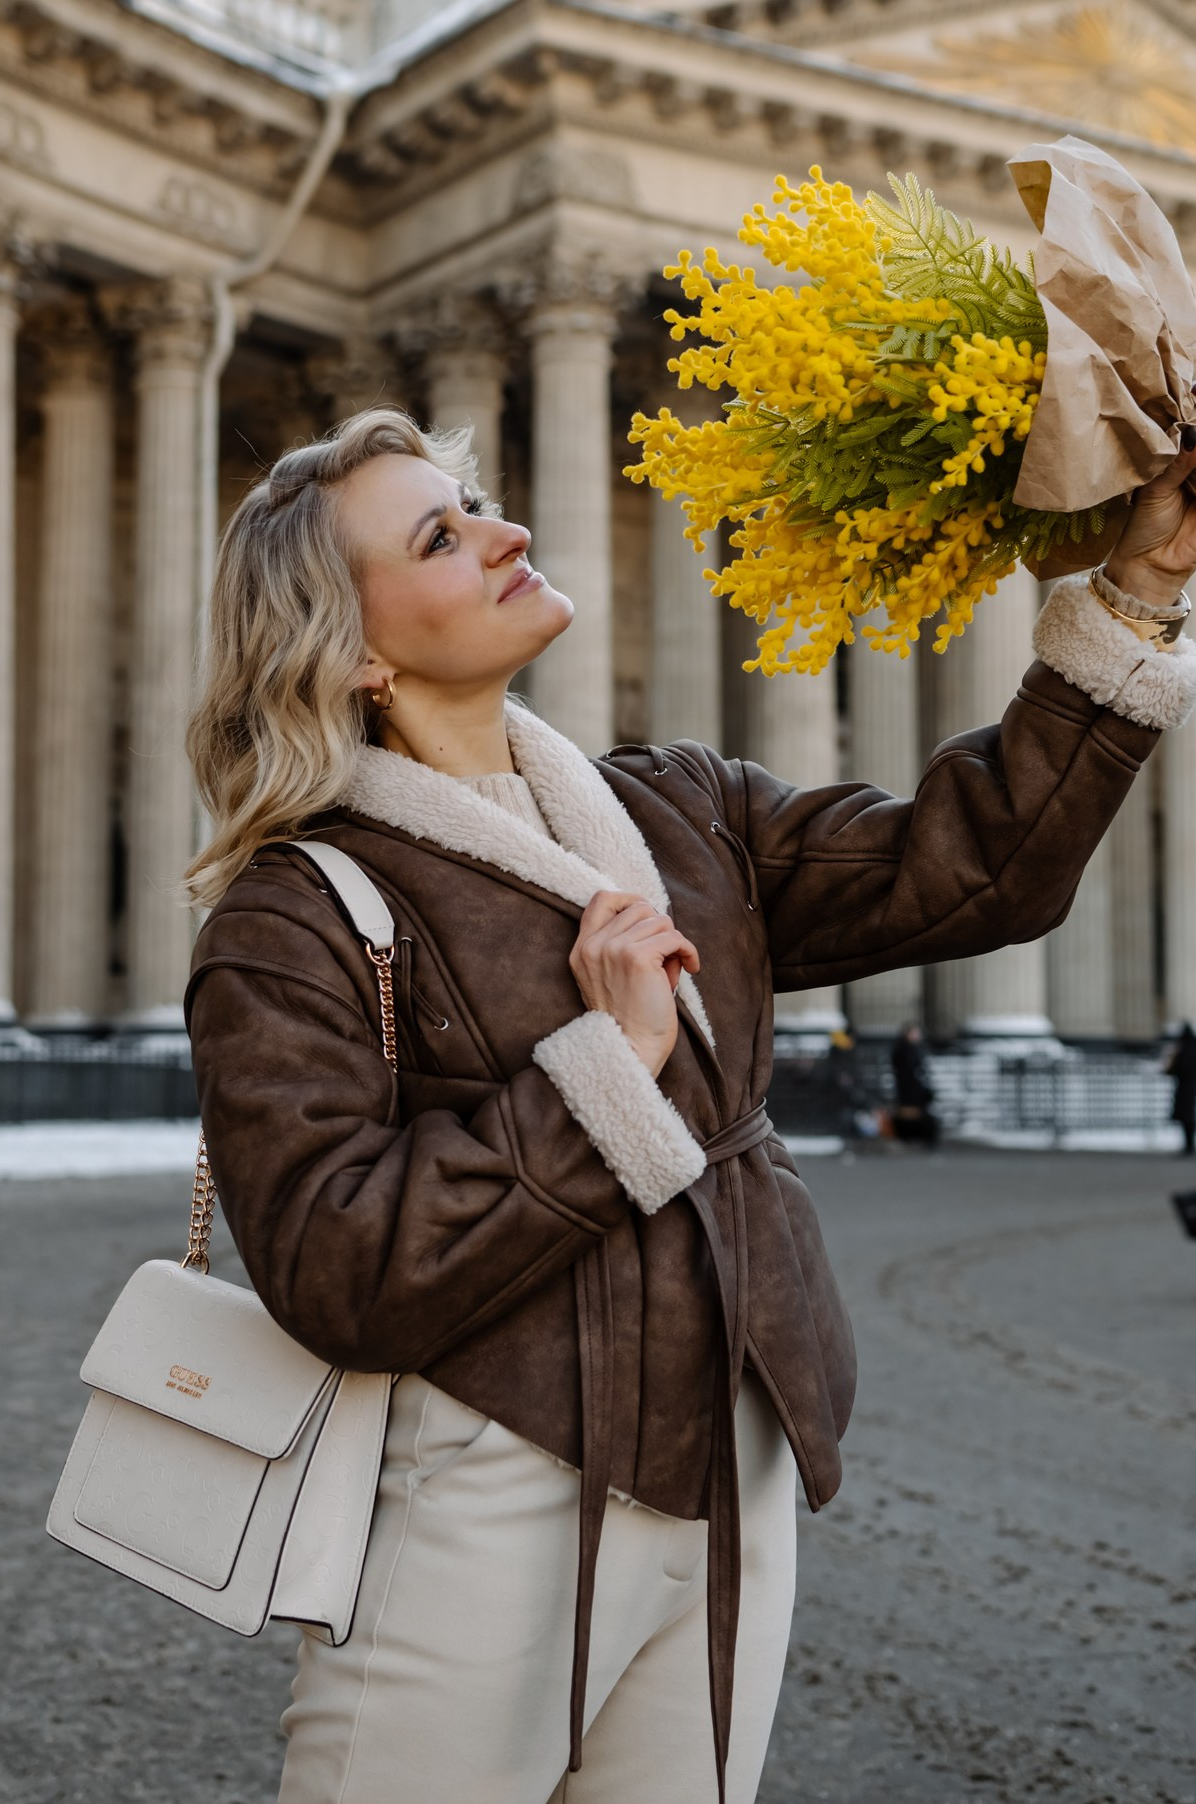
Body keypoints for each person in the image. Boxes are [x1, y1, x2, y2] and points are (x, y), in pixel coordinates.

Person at [183, 408, 1196, 1804]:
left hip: (733, 1468)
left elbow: (976, 869)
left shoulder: (684, 815)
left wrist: (1135, 593)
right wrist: (605, 1069)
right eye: (441, 532)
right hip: (480, 1494)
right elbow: (335, 1264)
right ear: (353, 648)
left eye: (477, 498)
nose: (505, 530)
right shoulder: (290, 917)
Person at [891, 1023, 938, 1146]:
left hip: (915, 1089)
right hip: (909, 1089)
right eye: (914, 1033)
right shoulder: (904, 1050)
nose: (917, 1036)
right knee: (911, 1115)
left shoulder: (915, 1049)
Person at [1165, 1022, 1196, 1153]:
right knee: (1188, 1116)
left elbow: (1175, 1069)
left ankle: (1188, 1145)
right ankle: (1189, 1145)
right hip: (1191, 1086)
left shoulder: (1182, 1050)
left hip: (1185, 1087)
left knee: (1186, 1117)